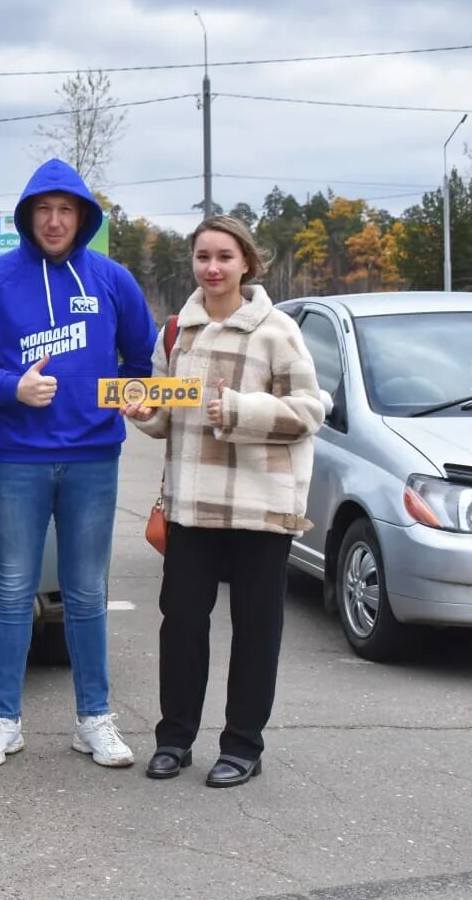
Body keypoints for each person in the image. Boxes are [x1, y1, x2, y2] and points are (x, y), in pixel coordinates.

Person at [0, 158, 156, 770]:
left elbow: (139, 361)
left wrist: (136, 393)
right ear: (28, 216)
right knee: (13, 589)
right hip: (19, 458)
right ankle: (2, 721)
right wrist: (12, 387)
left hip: (93, 456)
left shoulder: (113, 279)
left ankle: (94, 719)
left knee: (86, 590)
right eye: (44, 210)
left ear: (84, 217)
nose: (55, 220)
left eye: (67, 210)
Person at [125, 214, 322, 788]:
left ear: (247, 264)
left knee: (256, 630)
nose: (212, 268)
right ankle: (174, 740)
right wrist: (144, 414)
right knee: (181, 626)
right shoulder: (175, 331)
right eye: (202, 257)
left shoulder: (276, 330)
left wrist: (239, 411)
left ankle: (242, 746)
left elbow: (310, 412)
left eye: (224, 257)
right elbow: (165, 421)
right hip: (191, 509)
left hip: (260, 510)